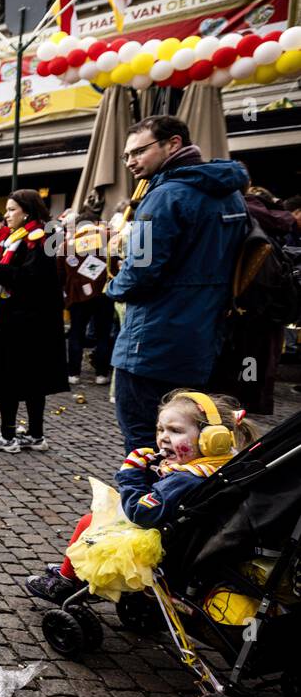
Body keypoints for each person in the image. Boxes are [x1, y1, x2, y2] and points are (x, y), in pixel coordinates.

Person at [27, 390, 255, 604]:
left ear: (211, 439)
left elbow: (140, 513)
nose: (164, 438)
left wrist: (131, 473)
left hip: (156, 542)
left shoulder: (185, 478)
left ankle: (64, 582)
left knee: (89, 521)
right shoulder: (217, 466)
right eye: (160, 430)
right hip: (181, 539)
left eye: (175, 431)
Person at [107, 115, 249, 453]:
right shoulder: (231, 195)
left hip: (150, 342)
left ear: (173, 144)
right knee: (193, 441)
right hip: (203, 339)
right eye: (126, 156)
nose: (130, 162)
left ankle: (149, 504)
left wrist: (112, 288)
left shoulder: (162, 197)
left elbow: (139, 271)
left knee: (144, 442)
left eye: (138, 152)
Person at [0, 190, 69, 453]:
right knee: (30, 380)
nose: (6, 215)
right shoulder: (25, 237)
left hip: (22, 324)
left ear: (26, 210)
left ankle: (8, 436)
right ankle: (35, 434)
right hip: (28, 322)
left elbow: (33, 278)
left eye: (11, 210)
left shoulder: (38, 237)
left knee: (12, 379)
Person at [62, 202, 115, 387]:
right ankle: (101, 374)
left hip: (77, 296)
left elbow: (60, 273)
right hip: (105, 294)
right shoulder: (109, 238)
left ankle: (73, 374)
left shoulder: (67, 245)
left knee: (76, 333)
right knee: (103, 335)